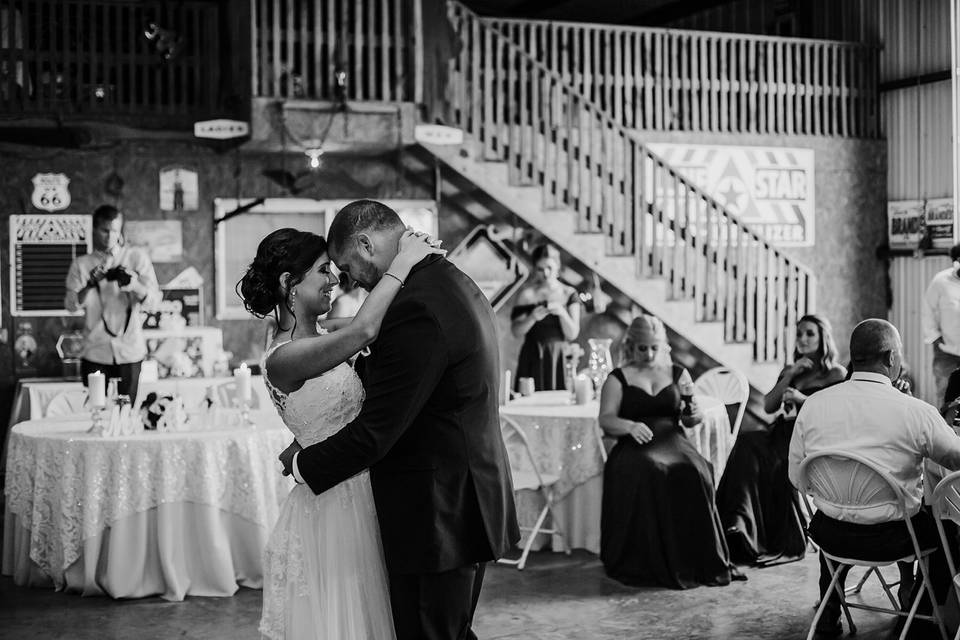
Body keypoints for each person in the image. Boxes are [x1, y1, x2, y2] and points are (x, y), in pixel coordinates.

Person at [279, 200, 520, 640]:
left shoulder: (417, 305)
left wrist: (302, 465)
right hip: (458, 500)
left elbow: (377, 432)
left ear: (367, 244)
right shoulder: (445, 281)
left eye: (347, 266)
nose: (347, 280)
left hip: (437, 513)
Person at [240, 224, 443, 639]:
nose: (335, 279)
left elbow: (371, 328)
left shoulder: (321, 335)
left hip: (365, 492)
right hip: (333, 507)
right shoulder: (284, 357)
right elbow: (364, 331)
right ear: (288, 284)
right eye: (322, 271)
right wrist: (402, 262)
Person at [788, 319, 960, 638]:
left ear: (854, 356)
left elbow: (798, 478)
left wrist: (841, 502)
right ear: (891, 358)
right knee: (949, 530)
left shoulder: (813, 405)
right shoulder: (916, 411)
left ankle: (829, 614)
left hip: (831, 536)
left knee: (833, 513)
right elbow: (956, 458)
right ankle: (917, 619)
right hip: (893, 538)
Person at [599, 314, 742, 589]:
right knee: (652, 471)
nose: (649, 353)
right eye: (642, 347)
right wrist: (628, 426)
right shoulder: (617, 378)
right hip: (635, 443)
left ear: (662, 345)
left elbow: (690, 419)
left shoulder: (678, 373)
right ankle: (654, 560)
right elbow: (605, 418)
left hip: (673, 437)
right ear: (631, 346)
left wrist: (695, 414)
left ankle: (695, 557)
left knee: (696, 469)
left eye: (654, 347)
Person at [716, 314, 846, 567]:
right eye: (799, 334)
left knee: (776, 466)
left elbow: (836, 412)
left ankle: (771, 535)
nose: (803, 339)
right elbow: (768, 405)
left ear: (823, 338)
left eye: (810, 333)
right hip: (781, 432)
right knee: (745, 444)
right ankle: (737, 526)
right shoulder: (791, 370)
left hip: (810, 439)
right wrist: (791, 374)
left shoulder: (835, 373)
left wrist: (801, 398)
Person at [64, 204, 161, 405]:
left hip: (130, 350)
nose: (110, 236)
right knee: (95, 412)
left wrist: (133, 284)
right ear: (94, 230)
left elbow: (153, 303)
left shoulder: (136, 258)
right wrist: (90, 284)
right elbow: (71, 306)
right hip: (95, 350)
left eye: (115, 230)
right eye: (105, 230)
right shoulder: (81, 264)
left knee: (128, 413)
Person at [511, 243, 581, 391]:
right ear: (535, 269)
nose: (546, 273)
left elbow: (573, 334)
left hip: (558, 357)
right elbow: (516, 331)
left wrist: (562, 313)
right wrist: (532, 318)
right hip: (532, 354)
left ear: (558, 266)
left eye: (550, 268)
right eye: (540, 269)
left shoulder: (569, 293)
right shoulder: (527, 295)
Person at [923, 242, 960, 403]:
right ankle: (944, 428)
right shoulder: (941, 281)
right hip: (946, 352)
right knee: (945, 397)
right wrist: (934, 337)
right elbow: (927, 309)